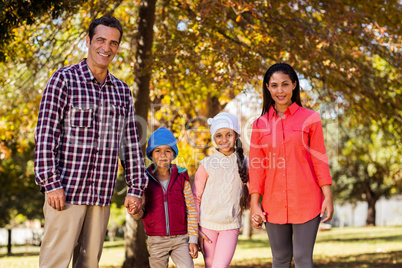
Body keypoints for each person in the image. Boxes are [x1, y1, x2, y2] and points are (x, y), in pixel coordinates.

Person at [34, 15, 148, 268]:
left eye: (113, 43)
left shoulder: (122, 91)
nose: (106, 48)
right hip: (65, 193)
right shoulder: (63, 80)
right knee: (55, 262)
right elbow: (45, 135)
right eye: (101, 40)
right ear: (88, 40)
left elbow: (130, 143)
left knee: (89, 263)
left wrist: (136, 188)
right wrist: (51, 183)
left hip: (101, 193)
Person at [249, 62, 334, 268]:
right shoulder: (260, 124)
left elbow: (319, 159)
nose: (280, 90)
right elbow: (257, 167)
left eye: (285, 84)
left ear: (294, 85)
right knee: (280, 260)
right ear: (268, 87)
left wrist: (328, 196)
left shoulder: (310, 119)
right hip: (273, 203)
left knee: (303, 259)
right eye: (275, 85)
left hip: (307, 200)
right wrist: (254, 203)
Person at [129, 127, 198, 268]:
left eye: (167, 150)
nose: (163, 154)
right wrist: (136, 211)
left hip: (181, 238)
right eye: (157, 150)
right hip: (156, 240)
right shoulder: (144, 180)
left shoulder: (182, 178)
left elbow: (191, 209)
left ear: (173, 154)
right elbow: (140, 213)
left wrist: (193, 239)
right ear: (151, 154)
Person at [192, 112, 249, 268]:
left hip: (230, 226)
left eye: (228, 134)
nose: (224, 139)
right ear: (213, 138)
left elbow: (252, 190)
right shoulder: (207, 164)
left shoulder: (245, 163)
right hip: (206, 226)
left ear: (235, 135)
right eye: (219, 135)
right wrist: (195, 227)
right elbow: (195, 197)